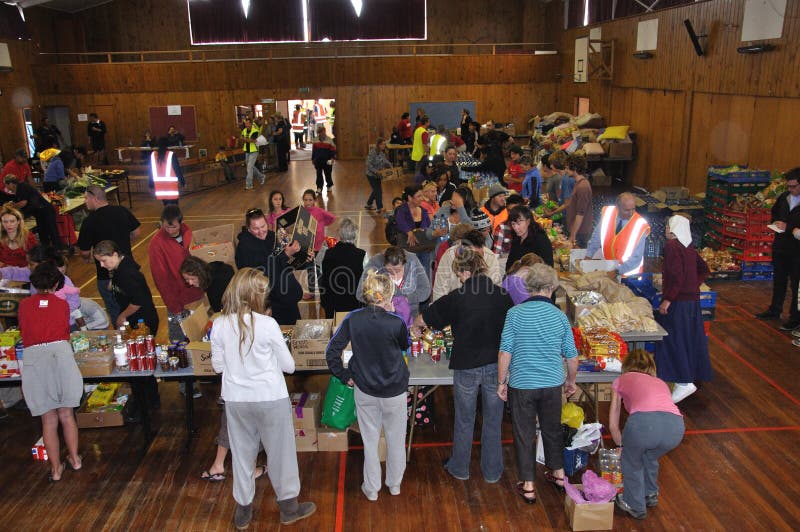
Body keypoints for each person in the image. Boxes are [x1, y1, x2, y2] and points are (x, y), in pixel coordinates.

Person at [210, 268, 316, 529]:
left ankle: (243, 511)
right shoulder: (267, 324)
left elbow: (217, 366)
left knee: (243, 455)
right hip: (270, 397)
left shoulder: (220, 324)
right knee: (281, 454)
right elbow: (289, 367)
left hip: (236, 400)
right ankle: (289, 509)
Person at [415, 251, 512, 483]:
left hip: (466, 366)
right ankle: (492, 471)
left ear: (467, 272)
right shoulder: (502, 295)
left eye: (459, 274)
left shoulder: (457, 297)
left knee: (465, 419)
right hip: (495, 366)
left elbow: (424, 319)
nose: (459, 279)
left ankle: (460, 468)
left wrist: (417, 329)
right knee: (492, 419)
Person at [497, 263, 578, 504]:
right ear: (552, 287)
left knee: (524, 433)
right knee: (552, 429)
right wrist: (571, 381)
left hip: (522, 384)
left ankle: (529, 485)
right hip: (552, 384)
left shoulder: (515, 314)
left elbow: (505, 353)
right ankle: (559, 475)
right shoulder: (559, 316)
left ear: (529, 287)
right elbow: (572, 356)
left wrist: (502, 382)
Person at [326, 270, 410, 501]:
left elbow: (332, 350)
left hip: (365, 389)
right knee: (395, 439)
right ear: (388, 296)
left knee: (370, 440)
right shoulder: (396, 322)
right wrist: (393, 314)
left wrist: (344, 376)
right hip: (394, 390)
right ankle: (394, 484)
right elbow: (405, 344)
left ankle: (371, 488)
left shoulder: (353, 318)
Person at [19, 262, 83, 482]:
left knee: (48, 419)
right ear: (57, 283)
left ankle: (56, 469)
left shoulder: (24, 305)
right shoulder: (61, 305)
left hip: (34, 358)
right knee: (67, 414)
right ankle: (75, 459)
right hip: (60, 354)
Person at [608, 349, 685, 520]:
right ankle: (650, 494)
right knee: (649, 456)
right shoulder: (660, 382)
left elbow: (613, 424)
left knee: (631, 461)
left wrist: (621, 445)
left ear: (626, 366)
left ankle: (634, 505)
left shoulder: (620, 380)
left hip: (644, 424)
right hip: (675, 427)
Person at [655, 215, 713, 403]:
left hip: (679, 303)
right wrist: (692, 285)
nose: (665, 229)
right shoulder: (688, 247)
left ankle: (683, 380)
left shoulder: (672, 247)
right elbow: (704, 269)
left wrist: (668, 299)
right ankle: (689, 375)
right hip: (692, 302)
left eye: (667, 226)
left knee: (673, 339)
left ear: (673, 229)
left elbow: (676, 276)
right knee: (689, 338)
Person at [77, 185, 141, 326]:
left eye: (86, 198)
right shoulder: (122, 210)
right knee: (135, 306)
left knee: (116, 311)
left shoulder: (89, 221)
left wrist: (88, 258)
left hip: (106, 276)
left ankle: (123, 338)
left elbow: (84, 251)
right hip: (129, 269)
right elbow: (136, 232)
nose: (85, 201)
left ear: (95, 198)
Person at [234, 208, 304, 325]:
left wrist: (303, 255)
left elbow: (287, 264)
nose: (261, 231)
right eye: (256, 228)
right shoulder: (244, 248)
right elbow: (261, 275)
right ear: (248, 228)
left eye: (263, 226)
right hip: (271, 304)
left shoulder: (273, 237)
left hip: (288, 299)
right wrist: (286, 255)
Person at [149, 205, 204, 342]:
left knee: (199, 334)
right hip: (177, 298)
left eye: (173, 227)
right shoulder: (156, 244)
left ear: (181, 222)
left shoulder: (188, 232)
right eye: (166, 227)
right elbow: (160, 279)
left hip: (196, 294)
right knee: (178, 339)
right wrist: (174, 305)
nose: (169, 231)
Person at [756, 169, 800, 330]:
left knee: (796, 286)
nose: (790, 189)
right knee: (779, 281)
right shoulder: (784, 198)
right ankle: (775, 309)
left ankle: (795, 318)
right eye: (788, 186)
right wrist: (775, 223)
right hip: (781, 247)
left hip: (797, 252)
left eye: (793, 186)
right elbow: (774, 213)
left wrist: (788, 227)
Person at [0, 246, 83, 330]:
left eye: (31, 264)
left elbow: (75, 301)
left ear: (43, 263)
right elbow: (16, 272)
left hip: (65, 324)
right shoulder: (33, 273)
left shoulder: (61, 279)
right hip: (44, 324)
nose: (28, 266)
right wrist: (2, 272)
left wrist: (58, 312)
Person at [93, 240, 159, 334]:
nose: (101, 265)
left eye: (103, 261)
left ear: (115, 255)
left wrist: (122, 316)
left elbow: (138, 301)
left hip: (142, 322)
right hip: (134, 317)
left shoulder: (127, 274)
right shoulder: (121, 263)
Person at [586, 192, 651, 276]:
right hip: (609, 268)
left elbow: (636, 258)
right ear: (618, 207)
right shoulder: (608, 214)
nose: (631, 213)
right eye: (627, 210)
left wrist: (617, 271)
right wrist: (588, 256)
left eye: (633, 209)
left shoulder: (640, 225)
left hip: (629, 276)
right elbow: (596, 237)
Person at [357, 246, 430, 319]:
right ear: (384, 264)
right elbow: (360, 293)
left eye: (398, 270)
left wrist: (406, 299)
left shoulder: (412, 260)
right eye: (389, 270)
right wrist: (382, 302)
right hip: (381, 317)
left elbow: (425, 290)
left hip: (410, 317)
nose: (394, 274)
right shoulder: (375, 262)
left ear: (404, 263)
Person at [432, 230, 502, 302]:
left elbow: (494, 291)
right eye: (472, 256)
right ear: (461, 247)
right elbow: (440, 290)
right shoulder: (449, 256)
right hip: (453, 305)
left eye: (479, 256)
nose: (476, 259)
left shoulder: (491, 258)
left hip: (480, 304)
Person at [3, 174, 63, 252]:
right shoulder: (18, 190)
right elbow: (18, 202)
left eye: (6, 185)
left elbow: (23, 203)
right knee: (42, 233)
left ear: (10, 184)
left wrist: (10, 208)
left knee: (52, 232)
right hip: (39, 213)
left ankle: (58, 252)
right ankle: (47, 252)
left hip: (45, 210)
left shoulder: (22, 187)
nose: (6, 188)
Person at [320, 218, 365, 318]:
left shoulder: (327, 253)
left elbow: (322, 276)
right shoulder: (362, 255)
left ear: (339, 234)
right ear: (355, 235)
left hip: (332, 302)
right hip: (353, 302)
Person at [545, 153, 593, 247]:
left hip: (580, 231)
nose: (565, 170)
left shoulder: (582, 186)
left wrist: (573, 234)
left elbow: (580, 214)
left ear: (574, 168)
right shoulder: (577, 183)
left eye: (567, 168)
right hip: (577, 229)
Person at [505, 205, 554, 272]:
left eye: (519, 223)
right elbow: (509, 265)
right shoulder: (517, 238)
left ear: (528, 221)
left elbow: (548, 268)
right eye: (513, 224)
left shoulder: (540, 239)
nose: (515, 227)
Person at [149, 137, 185, 205]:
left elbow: (151, 171)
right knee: (174, 207)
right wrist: (182, 182)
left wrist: (151, 184)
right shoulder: (171, 155)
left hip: (160, 186)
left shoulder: (153, 155)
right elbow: (177, 170)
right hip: (171, 186)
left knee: (166, 206)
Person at [364, 137, 392, 213]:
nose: (384, 146)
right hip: (371, 175)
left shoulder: (382, 153)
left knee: (376, 190)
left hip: (379, 175)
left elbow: (385, 161)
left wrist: (390, 166)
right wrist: (375, 171)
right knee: (378, 190)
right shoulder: (372, 152)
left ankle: (368, 204)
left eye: (384, 144)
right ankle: (379, 207)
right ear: (378, 145)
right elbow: (368, 164)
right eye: (382, 144)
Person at [240, 118, 264, 189]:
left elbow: (251, 141)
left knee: (249, 167)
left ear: (251, 124)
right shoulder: (244, 130)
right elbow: (241, 137)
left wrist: (243, 138)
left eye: (248, 123)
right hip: (247, 151)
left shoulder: (255, 131)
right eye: (245, 123)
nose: (246, 125)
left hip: (254, 151)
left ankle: (249, 185)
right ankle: (261, 176)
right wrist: (244, 139)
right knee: (250, 166)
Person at [311, 126, 336, 193]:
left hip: (327, 161)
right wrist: (313, 159)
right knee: (319, 174)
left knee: (328, 174)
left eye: (323, 132)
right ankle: (319, 187)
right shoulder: (315, 140)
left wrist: (332, 158)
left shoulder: (329, 140)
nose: (322, 134)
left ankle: (329, 185)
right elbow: (314, 150)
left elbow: (333, 150)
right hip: (318, 160)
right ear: (318, 133)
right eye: (320, 133)